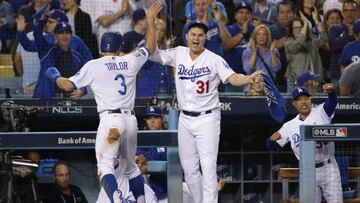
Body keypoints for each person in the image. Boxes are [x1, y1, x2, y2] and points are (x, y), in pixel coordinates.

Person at [44, 3, 162, 203]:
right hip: (131, 121)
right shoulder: (130, 60)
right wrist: (150, 21)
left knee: (105, 167)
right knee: (131, 168)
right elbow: (150, 48)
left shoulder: (94, 65)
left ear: (102, 47)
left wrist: (54, 75)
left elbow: (66, 86)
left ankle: (115, 200)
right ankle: (141, 200)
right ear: (119, 48)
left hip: (111, 121)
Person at [150, 20, 262, 203]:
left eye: (200, 35)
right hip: (185, 118)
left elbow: (232, 77)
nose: (196, 38)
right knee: (190, 170)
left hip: (207, 118)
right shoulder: (178, 53)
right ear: (187, 36)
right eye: (193, 34)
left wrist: (248, 79)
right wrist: (151, 24)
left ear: (205, 38)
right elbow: (153, 54)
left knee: (208, 168)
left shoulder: (214, 58)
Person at [266, 85, 343, 203]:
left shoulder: (321, 111)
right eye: (299, 99)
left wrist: (332, 92)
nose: (303, 102)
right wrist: (271, 140)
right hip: (307, 170)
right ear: (294, 104)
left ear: (310, 100)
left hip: (329, 167)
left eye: (306, 98)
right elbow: (272, 147)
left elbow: (332, 102)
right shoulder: (289, 126)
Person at [284, 13, 327, 92]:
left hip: (314, 84)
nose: (298, 30)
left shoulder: (312, 42)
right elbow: (300, 43)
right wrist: (306, 23)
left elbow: (324, 39)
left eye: (300, 27)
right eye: (295, 28)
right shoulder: (289, 43)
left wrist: (317, 22)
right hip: (295, 84)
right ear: (291, 30)